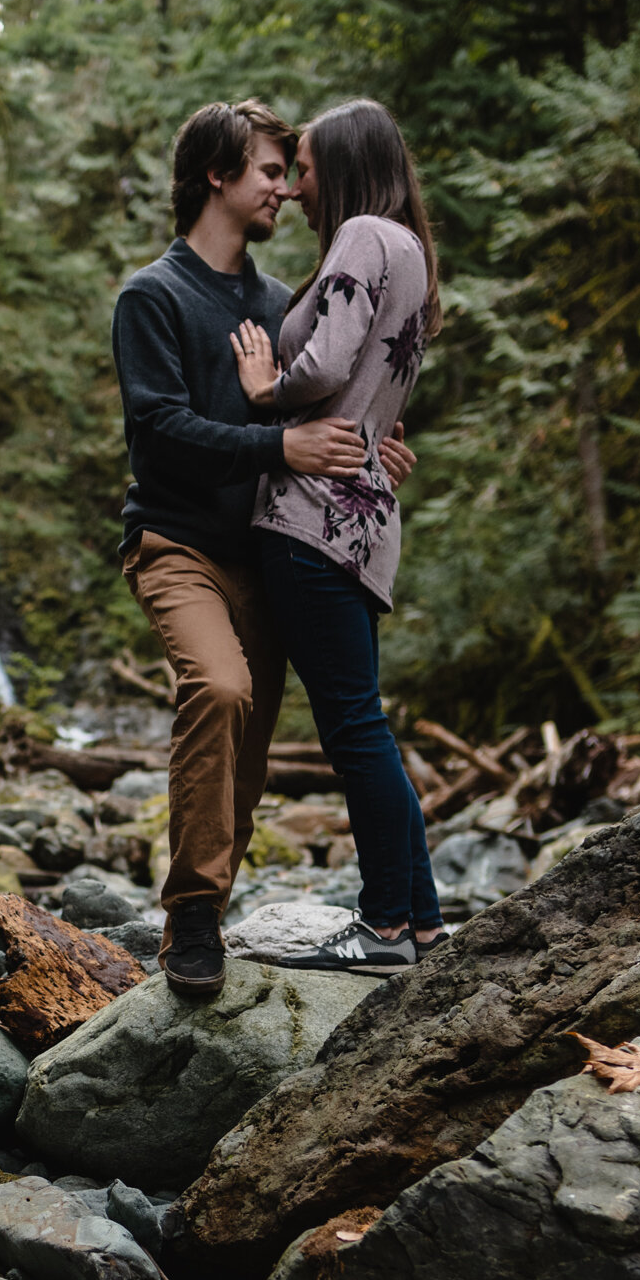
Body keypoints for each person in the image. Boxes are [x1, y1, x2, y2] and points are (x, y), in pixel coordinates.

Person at [111, 99, 416, 999]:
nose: (287, 187)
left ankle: (226, 909)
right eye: (270, 172)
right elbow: (157, 430)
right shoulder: (151, 296)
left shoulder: (280, 300)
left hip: (271, 549)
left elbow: (326, 401)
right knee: (220, 687)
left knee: (248, 743)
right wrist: (277, 445)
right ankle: (191, 919)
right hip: (174, 541)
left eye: (290, 171)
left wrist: (373, 442)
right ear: (218, 175)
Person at [230, 96, 444, 975]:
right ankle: (422, 924)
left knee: (355, 733)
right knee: (368, 727)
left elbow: (321, 368)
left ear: (349, 167)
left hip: (312, 515)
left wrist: (261, 386)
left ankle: (384, 927)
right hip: (363, 517)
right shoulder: (414, 254)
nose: (296, 185)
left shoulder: (361, 233)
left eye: (306, 166)